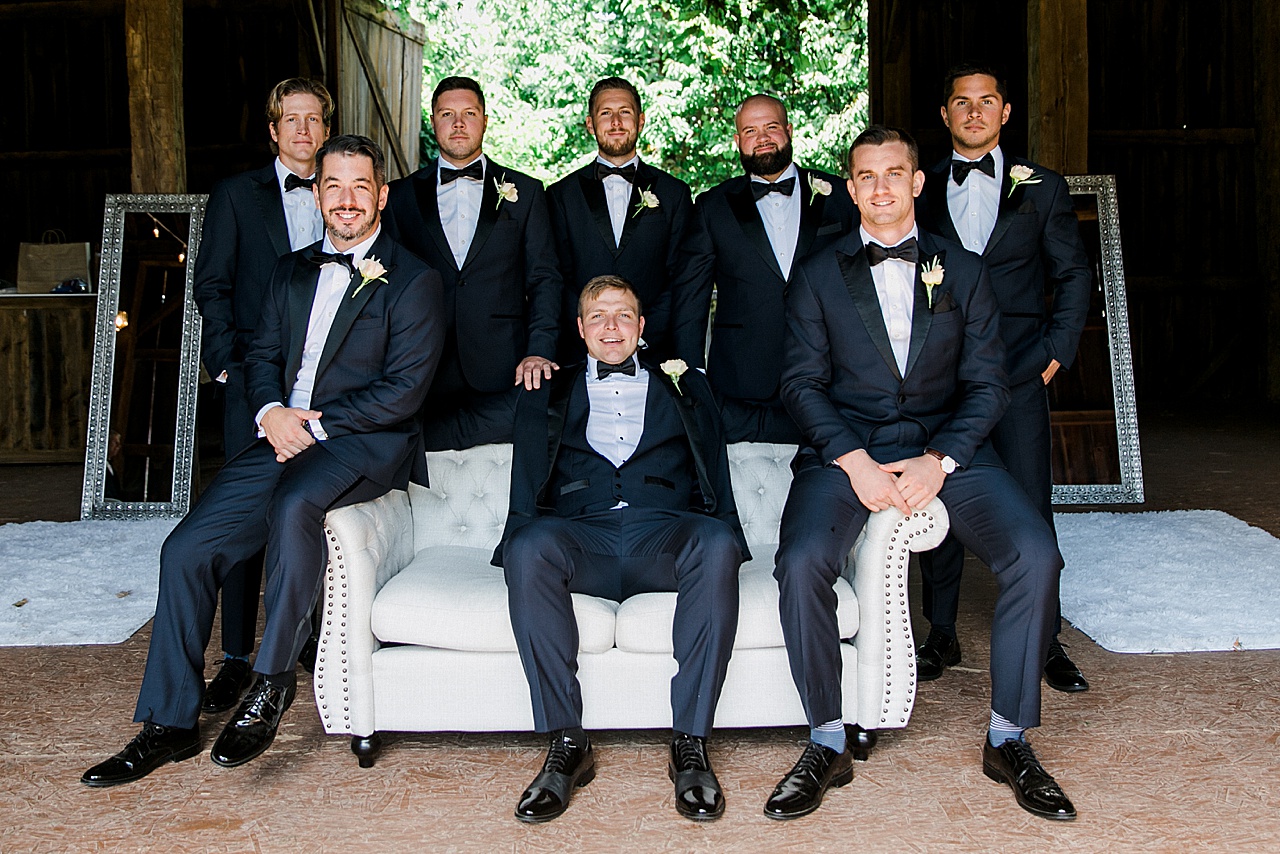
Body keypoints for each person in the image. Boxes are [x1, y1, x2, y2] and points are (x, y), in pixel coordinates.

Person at [81, 135, 444, 787]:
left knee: (295, 503)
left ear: (382, 195)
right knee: (186, 549)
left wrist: (318, 422)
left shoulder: (415, 280)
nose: (347, 199)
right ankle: (170, 722)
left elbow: (404, 391)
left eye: (361, 186)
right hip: (278, 435)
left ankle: (272, 681)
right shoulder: (289, 271)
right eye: (333, 186)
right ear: (317, 193)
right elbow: (262, 357)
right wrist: (271, 412)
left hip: (365, 442)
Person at [766, 126, 1076, 821]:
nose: (880, 187)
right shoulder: (818, 273)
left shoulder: (963, 270)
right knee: (802, 563)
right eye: (866, 176)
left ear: (917, 182)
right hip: (844, 455)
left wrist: (941, 459)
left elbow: (990, 383)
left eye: (893, 173)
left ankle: (1009, 735)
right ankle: (824, 736)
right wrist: (855, 461)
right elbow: (802, 384)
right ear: (850, 189)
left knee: (1035, 554)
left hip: (947, 449)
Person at [495, 276, 748, 823]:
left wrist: (726, 530)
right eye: (599, 316)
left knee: (715, 540)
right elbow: (525, 477)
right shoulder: (546, 389)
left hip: (663, 533)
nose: (612, 326)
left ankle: (691, 743)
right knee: (529, 546)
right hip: (582, 535)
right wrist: (518, 539)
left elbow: (715, 468)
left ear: (641, 326)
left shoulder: (685, 385)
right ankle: (567, 743)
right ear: (581, 328)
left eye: (624, 315)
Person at [915, 62, 1092, 692]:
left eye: (986, 101)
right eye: (960, 102)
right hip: (940, 372)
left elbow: (1071, 274)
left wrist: (1058, 348)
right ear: (945, 115)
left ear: (1005, 112)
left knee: (1030, 499)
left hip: (1019, 366)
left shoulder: (1041, 186)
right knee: (938, 495)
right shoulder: (920, 186)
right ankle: (940, 632)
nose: (973, 112)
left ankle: (1045, 640)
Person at [191, 78, 333, 708]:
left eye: (313, 120)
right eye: (291, 120)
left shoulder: (344, 192)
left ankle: (306, 636)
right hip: (255, 381)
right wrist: (227, 365)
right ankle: (239, 655)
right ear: (274, 130)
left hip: (325, 379)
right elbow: (212, 283)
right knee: (243, 515)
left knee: (311, 506)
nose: (303, 131)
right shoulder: (235, 196)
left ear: (326, 129)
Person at [382, 76, 562, 451]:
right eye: (448, 114)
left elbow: (544, 279)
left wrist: (539, 349)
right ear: (433, 120)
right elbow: (389, 286)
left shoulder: (526, 192)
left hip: (507, 366)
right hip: (425, 367)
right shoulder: (400, 196)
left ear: (484, 119)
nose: (458, 123)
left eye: (469, 113)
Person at [694, 93, 855, 443]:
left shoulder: (840, 195)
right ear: (737, 141)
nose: (762, 138)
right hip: (742, 382)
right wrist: (693, 375)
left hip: (830, 374)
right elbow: (693, 296)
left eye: (771, 127)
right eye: (750, 131)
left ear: (789, 130)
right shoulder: (712, 206)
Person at [546, 77, 711, 367]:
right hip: (578, 355)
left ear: (641, 119)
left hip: (656, 353)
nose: (616, 121)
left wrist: (640, 332)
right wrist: (593, 333)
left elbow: (682, 279)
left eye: (625, 111)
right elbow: (556, 277)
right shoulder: (560, 195)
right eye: (605, 113)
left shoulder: (674, 194)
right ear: (590, 123)